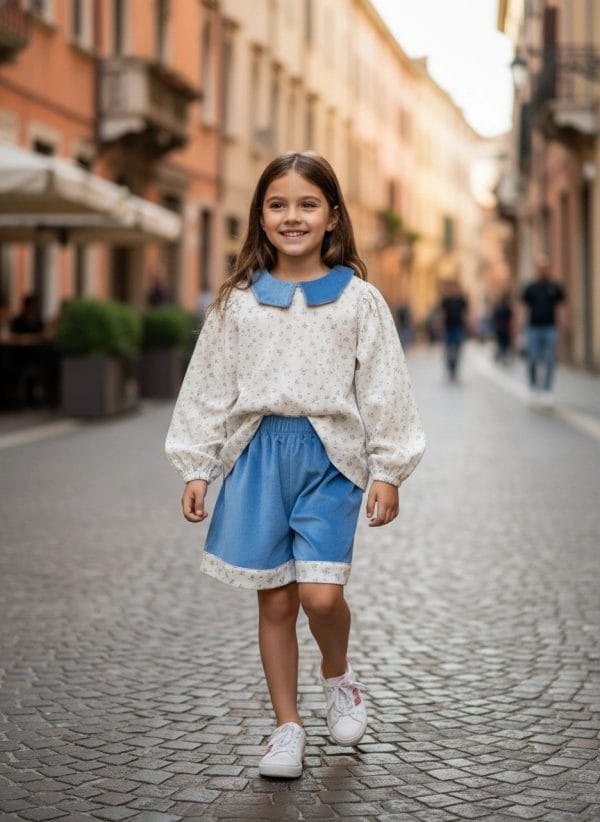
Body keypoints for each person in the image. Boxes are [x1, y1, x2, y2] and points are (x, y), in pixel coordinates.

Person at [165, 152, 425, 779]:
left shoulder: (361, 302)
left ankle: (339, 677)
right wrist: (197, 465)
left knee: (320, 594)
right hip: (256, 459)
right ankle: (288, 727)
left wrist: (387, 470)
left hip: (329, 461)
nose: (292, 216)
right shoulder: (236, 303)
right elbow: (207, 388)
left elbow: (385, 390)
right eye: (278, 204)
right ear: (260, 215)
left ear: (333, 217)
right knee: (276, 604)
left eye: (307, 204)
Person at [521, 256, 566, 406]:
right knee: (532, 359)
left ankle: (547, 391)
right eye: (540, 268)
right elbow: (523, 307)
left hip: (550, 328)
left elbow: (561, 307)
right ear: (536, 269)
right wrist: (521, 327)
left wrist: (562, 324)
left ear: (549, 269)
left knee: (549, 360)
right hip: (533, 328)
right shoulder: (530, 288)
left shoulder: (555, 287)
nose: (543, 270)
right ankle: (533, 388)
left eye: (545, 268)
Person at [439, 279, 468, 380]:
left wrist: (468, 325)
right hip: (448, 328)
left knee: (457, 349)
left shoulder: (462, 300)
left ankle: (454, 369)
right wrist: (440, 326)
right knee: (448, 350)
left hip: (459, 327)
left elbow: (466, 314)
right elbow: (442, 314)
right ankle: (450, 367)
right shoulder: (445, 300)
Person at [492, 292, 513, 364]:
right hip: (504, 328)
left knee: (501, 343)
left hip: (501, 328)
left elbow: (494, 318)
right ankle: (502, 355)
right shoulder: (507, 308)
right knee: (504, 343)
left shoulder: (500, 308)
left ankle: (501, 355)